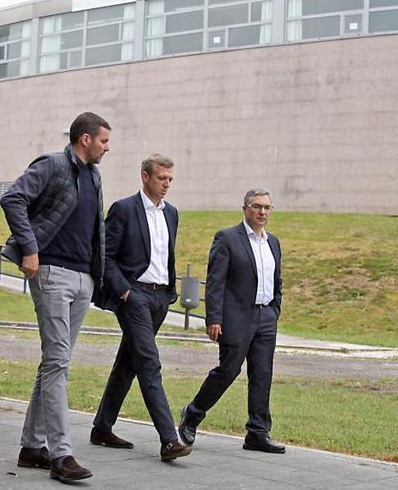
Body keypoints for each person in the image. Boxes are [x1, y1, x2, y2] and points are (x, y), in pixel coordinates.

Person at [0, 112, 109, 483]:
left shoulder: (94, 175)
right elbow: (12, 198)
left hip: (82, 278)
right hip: (51, 273)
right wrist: (30, 249)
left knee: (54, 362)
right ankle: (62, 454)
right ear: (85, 139)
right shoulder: (52, 164)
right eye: (103, 141)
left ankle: (32, 446)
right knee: (58, 361)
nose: (106, 148)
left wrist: (97, 275)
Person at [90, 154, 191, 462]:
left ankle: (102, 427)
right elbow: (105, 256)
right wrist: (125, 292)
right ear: (145, 177)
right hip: (135, 297)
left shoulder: (171, 213)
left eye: (170, 179)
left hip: (160, 299)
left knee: (128, 362)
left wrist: (170, 294)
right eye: (162, 178)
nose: (167, 185)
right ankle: (169, 439)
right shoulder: (124, 210)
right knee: (149, 362)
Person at [178, 189, 285, 454]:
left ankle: (258, 432)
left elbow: (277, 280)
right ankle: (193, 412)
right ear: (245, 208)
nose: (262, 212)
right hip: (237, 317)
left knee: (262, 374)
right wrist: (214, 318)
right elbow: (216, 282)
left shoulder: (273, 243)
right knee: (228, 370)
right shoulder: (227, 238)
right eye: (257, 206)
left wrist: (275, 308)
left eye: (267, 208)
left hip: (266, 317)